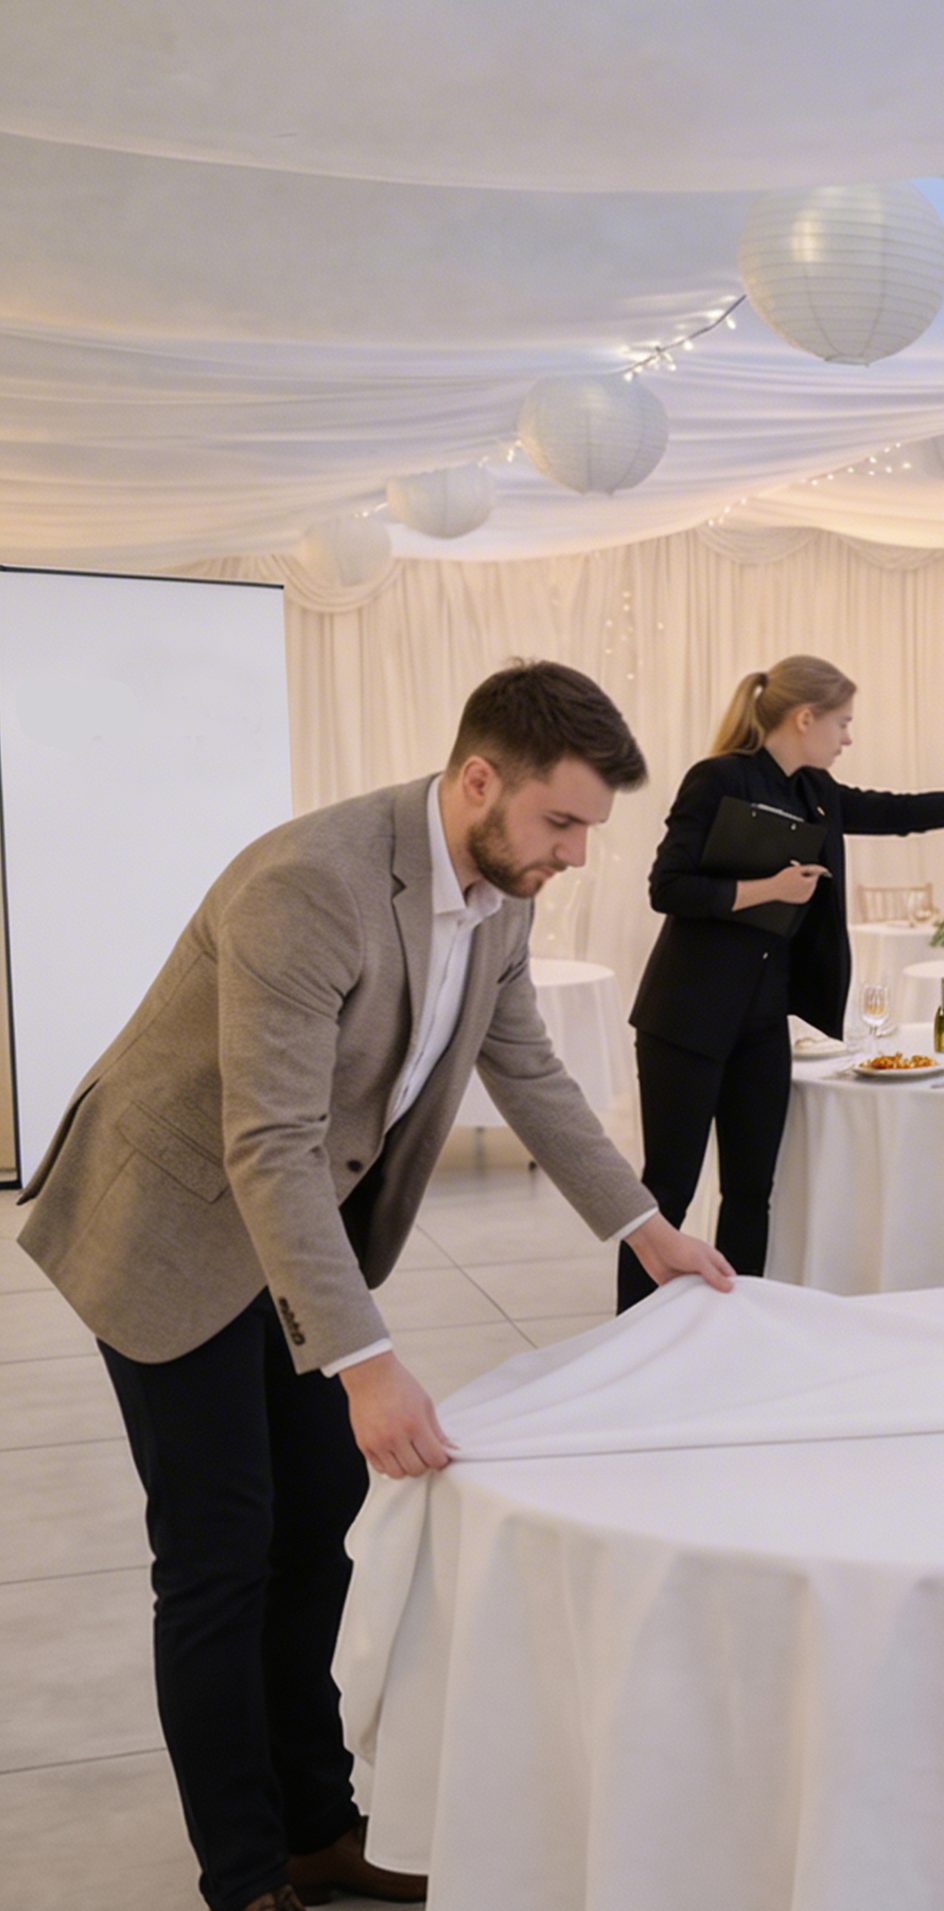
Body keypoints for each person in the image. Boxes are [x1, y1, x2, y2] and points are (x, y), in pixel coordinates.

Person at [14, 662, 737, 1911]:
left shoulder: (500, 891)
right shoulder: (311, 883)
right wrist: (368, 1362)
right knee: (219, 1553)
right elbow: (267, 1145)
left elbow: (531, 1072)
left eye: (586, 830)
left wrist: (644, 1226)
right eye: (560, 823)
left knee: (317, 1536)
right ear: (476, 780)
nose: (573, 855)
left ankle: (317, 1830)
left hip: (297, 1224)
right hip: (171, 1225)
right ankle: (243, 1877)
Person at [619, 655, 944, 1311]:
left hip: (763, 1023)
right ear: (806, 717)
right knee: (666, 1193)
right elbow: (668, 887)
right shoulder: (719, 778)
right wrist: (767, 889)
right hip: (686, 1019)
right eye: (843, 722)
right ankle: (629, 1332)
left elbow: (901, 811)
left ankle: (735, 1324)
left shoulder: (817, 791)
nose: (848, 737)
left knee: (750, 1192)